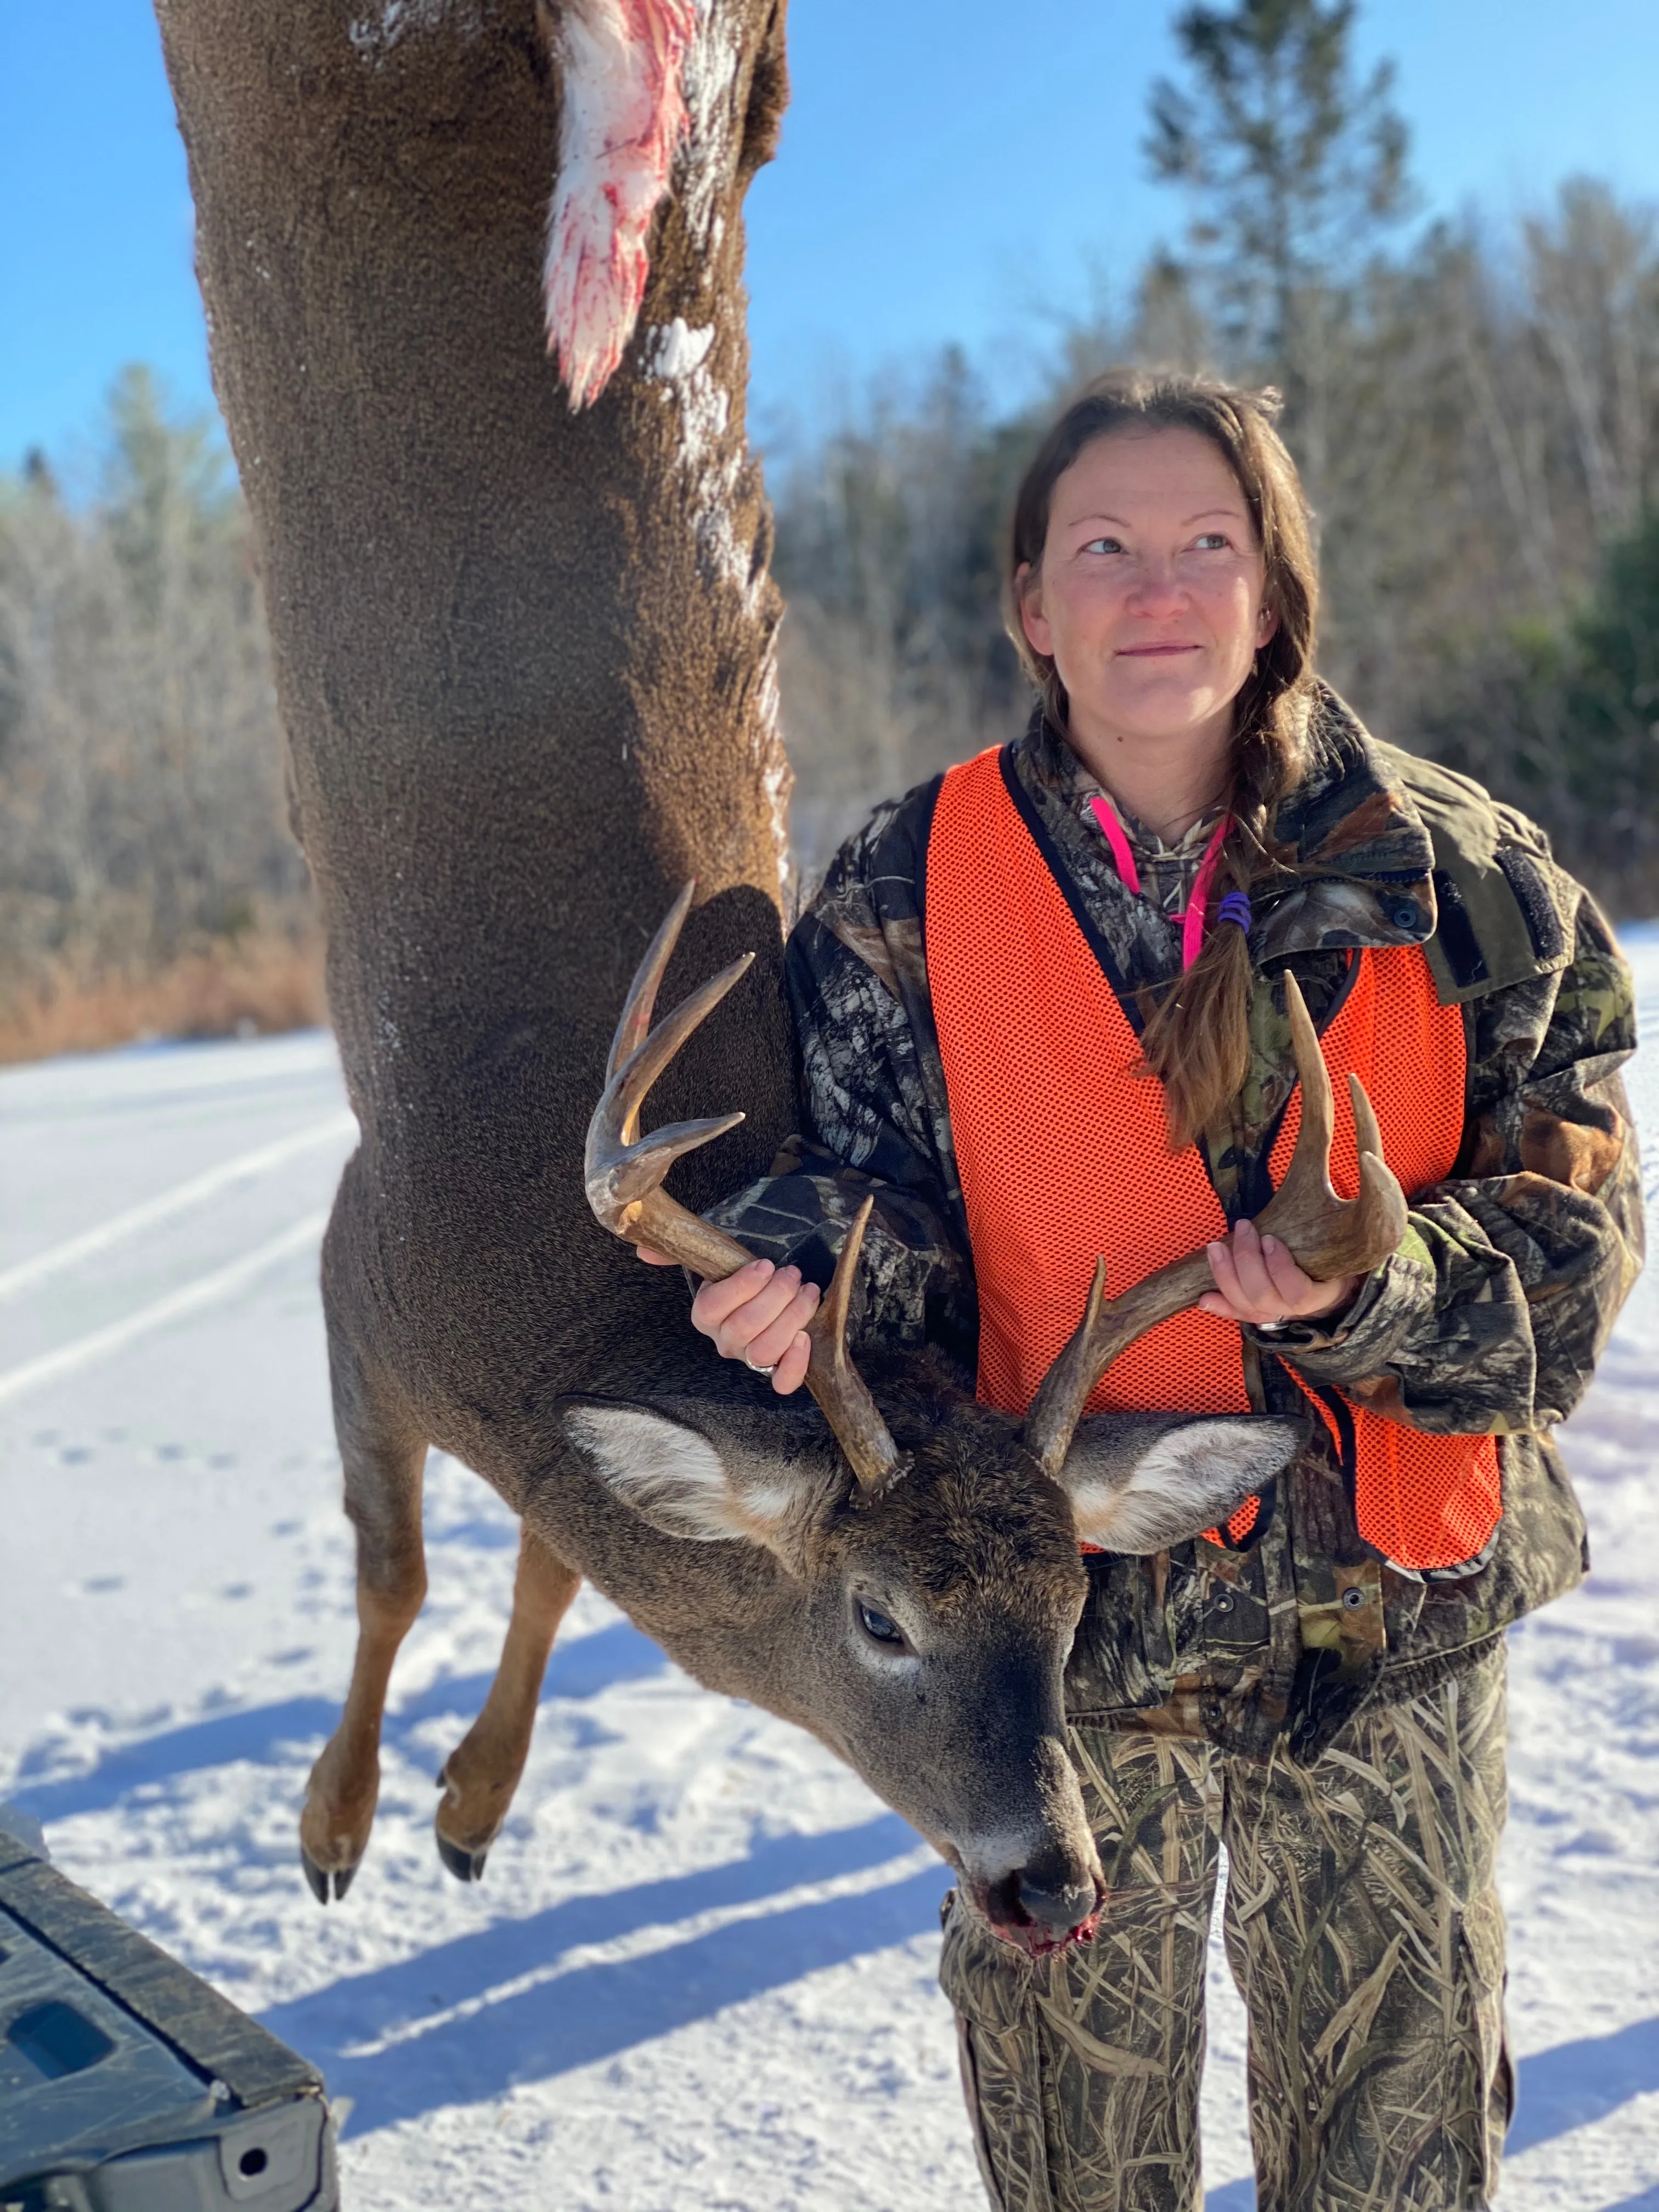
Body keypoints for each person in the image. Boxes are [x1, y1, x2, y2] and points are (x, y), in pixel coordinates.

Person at [643, 371, 1643, 2208]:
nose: (1156, 587)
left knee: (1395, 2167)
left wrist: (1370, 1291)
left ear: (1274, 592)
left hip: (1389, 1643)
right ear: (1034, 602)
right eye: (1103, 546)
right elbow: (884, 1214)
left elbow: (1572, 1284)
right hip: (1054, 1658)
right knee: (1078, 2172)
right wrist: (804, 1288)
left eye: (1208, 543)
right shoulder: (902, 889)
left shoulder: (1474, 883)